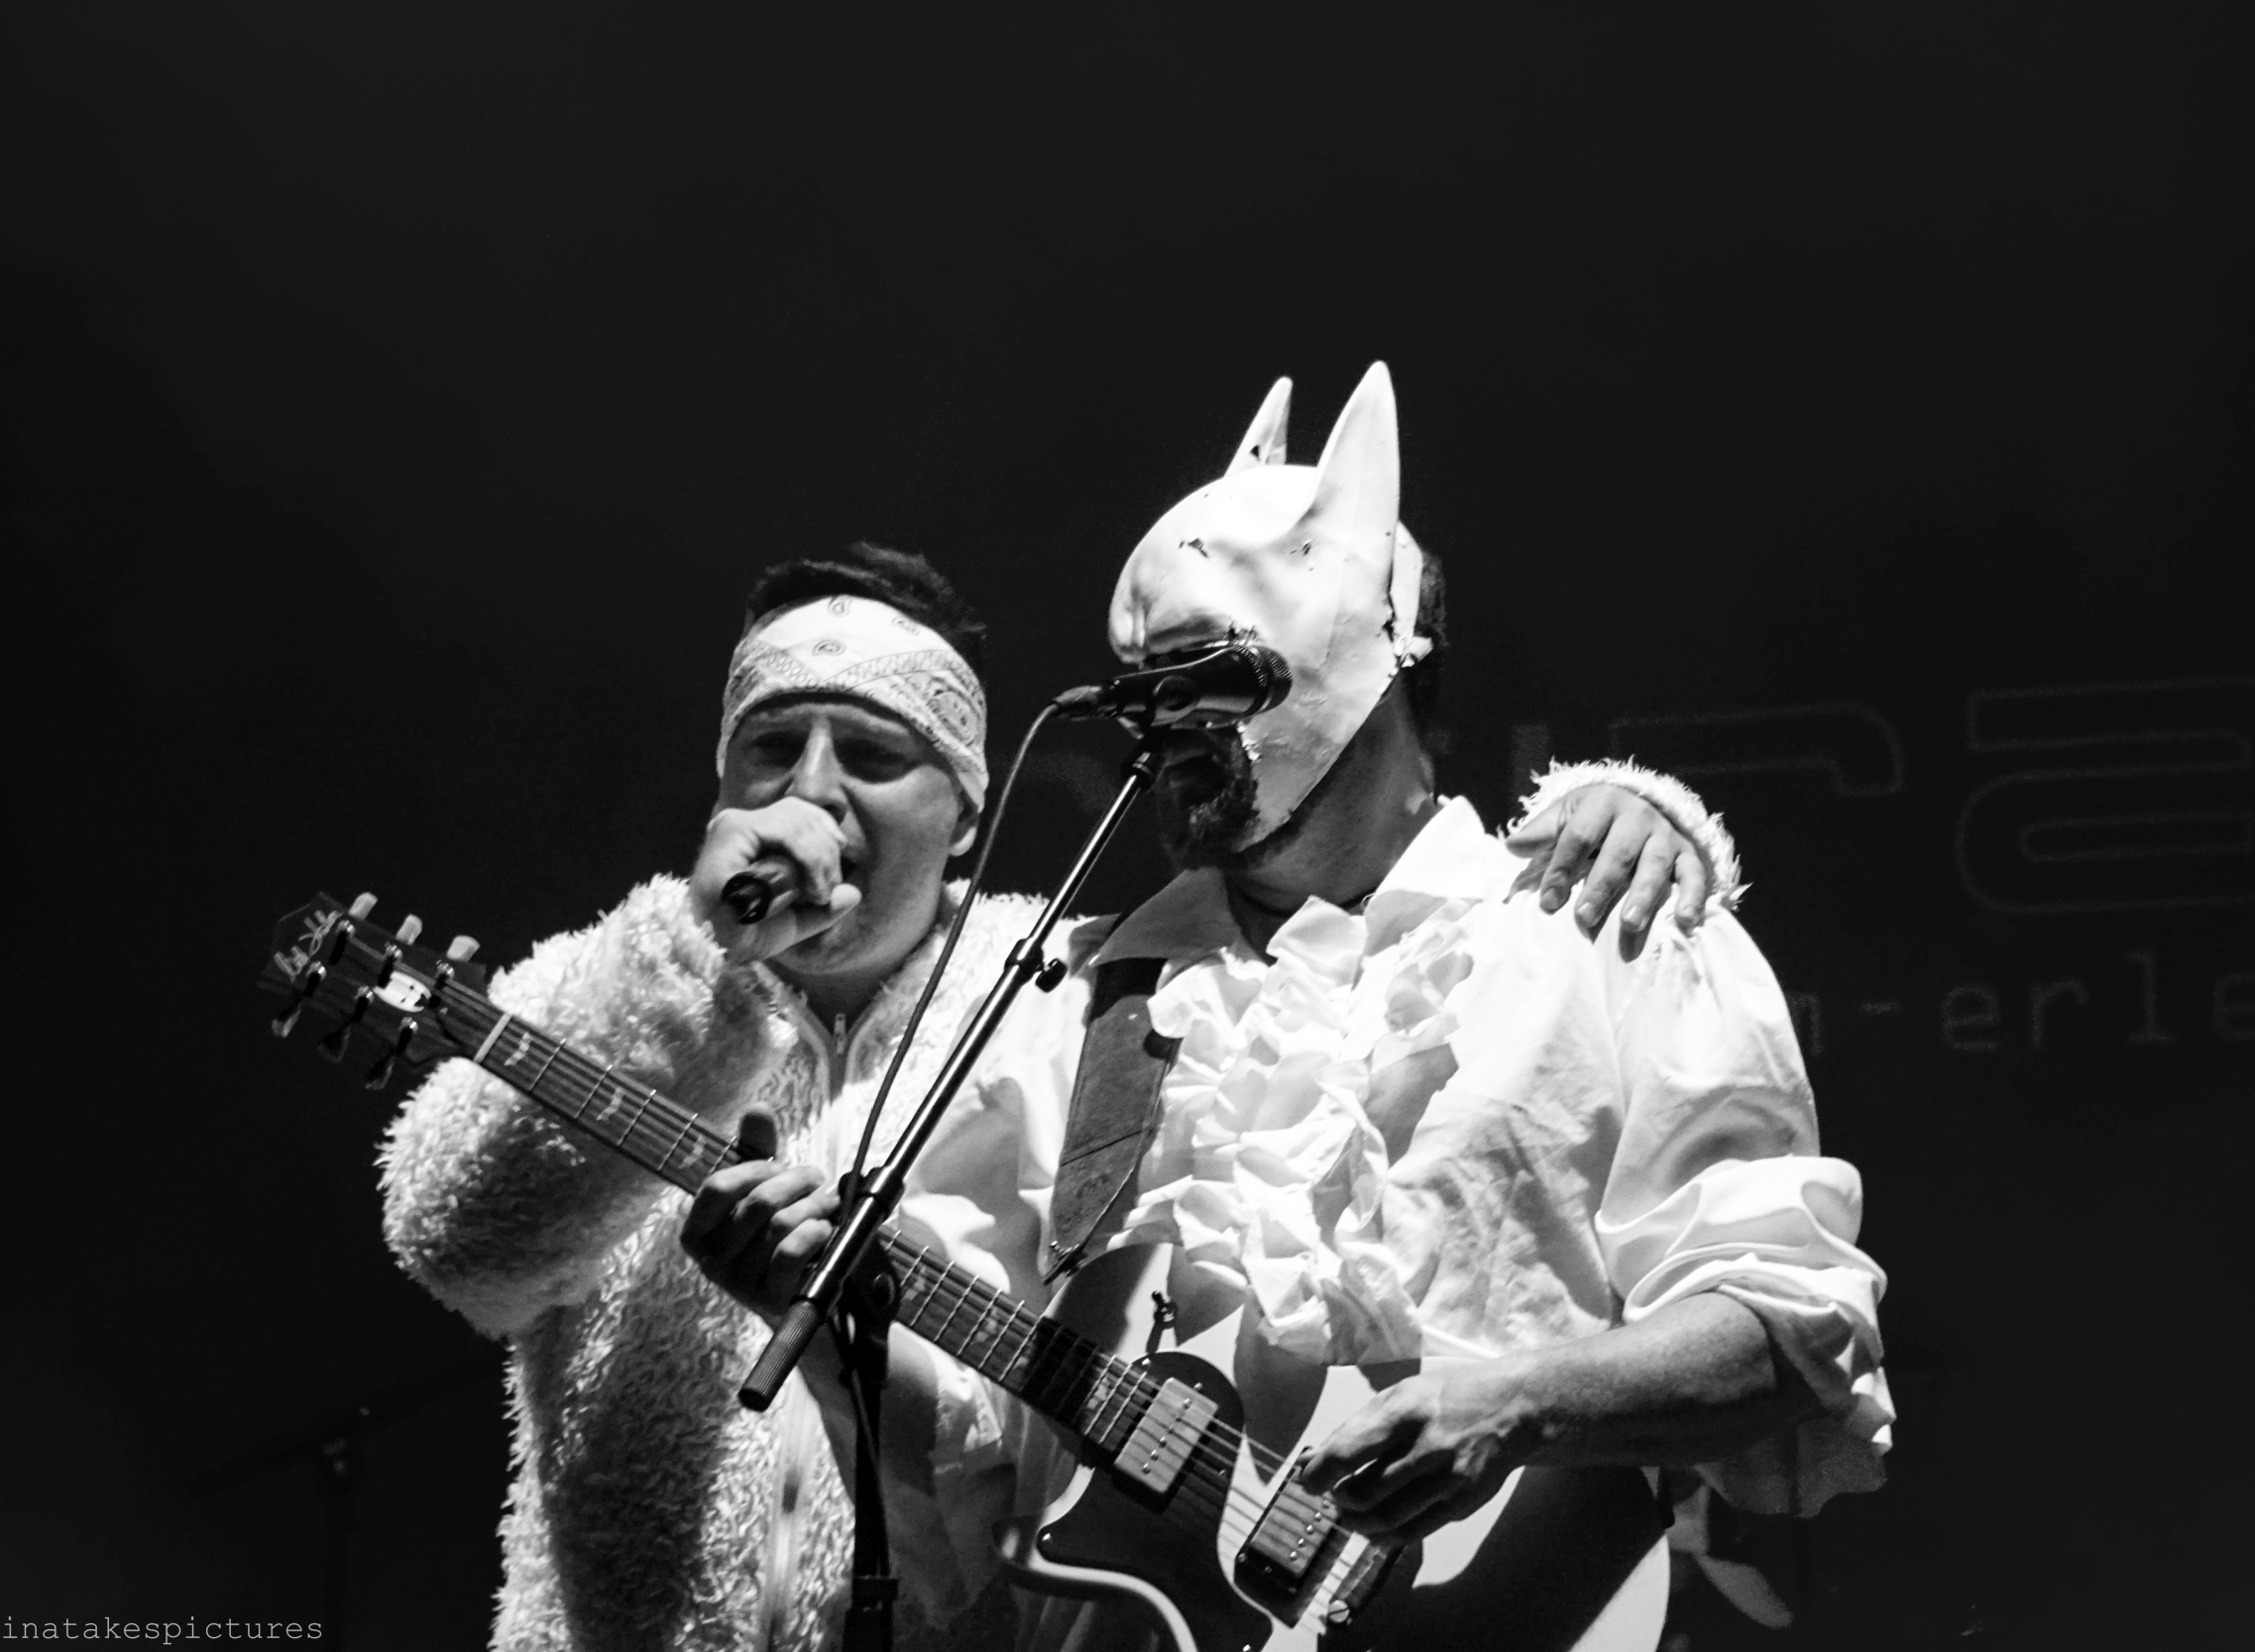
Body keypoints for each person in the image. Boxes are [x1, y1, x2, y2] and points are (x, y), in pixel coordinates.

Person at [683, 369, 1892, 1652]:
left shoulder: (1608, 932)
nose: (1165, 722)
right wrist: (830, 1328)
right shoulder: (1078, 997)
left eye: (1212, 676)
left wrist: (1516, 1405)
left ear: (1381, 649)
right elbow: (973, 1463)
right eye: (1146, 686)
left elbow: (1790, 1330)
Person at [379, 539, 1729, 1652]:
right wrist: (701, 952)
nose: (811, 790)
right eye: (772, 745)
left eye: (873, 753)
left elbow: (1337, 950)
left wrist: (1623, 811)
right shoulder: (608, 990)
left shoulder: (1069, 985)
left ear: (967, 811)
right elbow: (456, 1240)